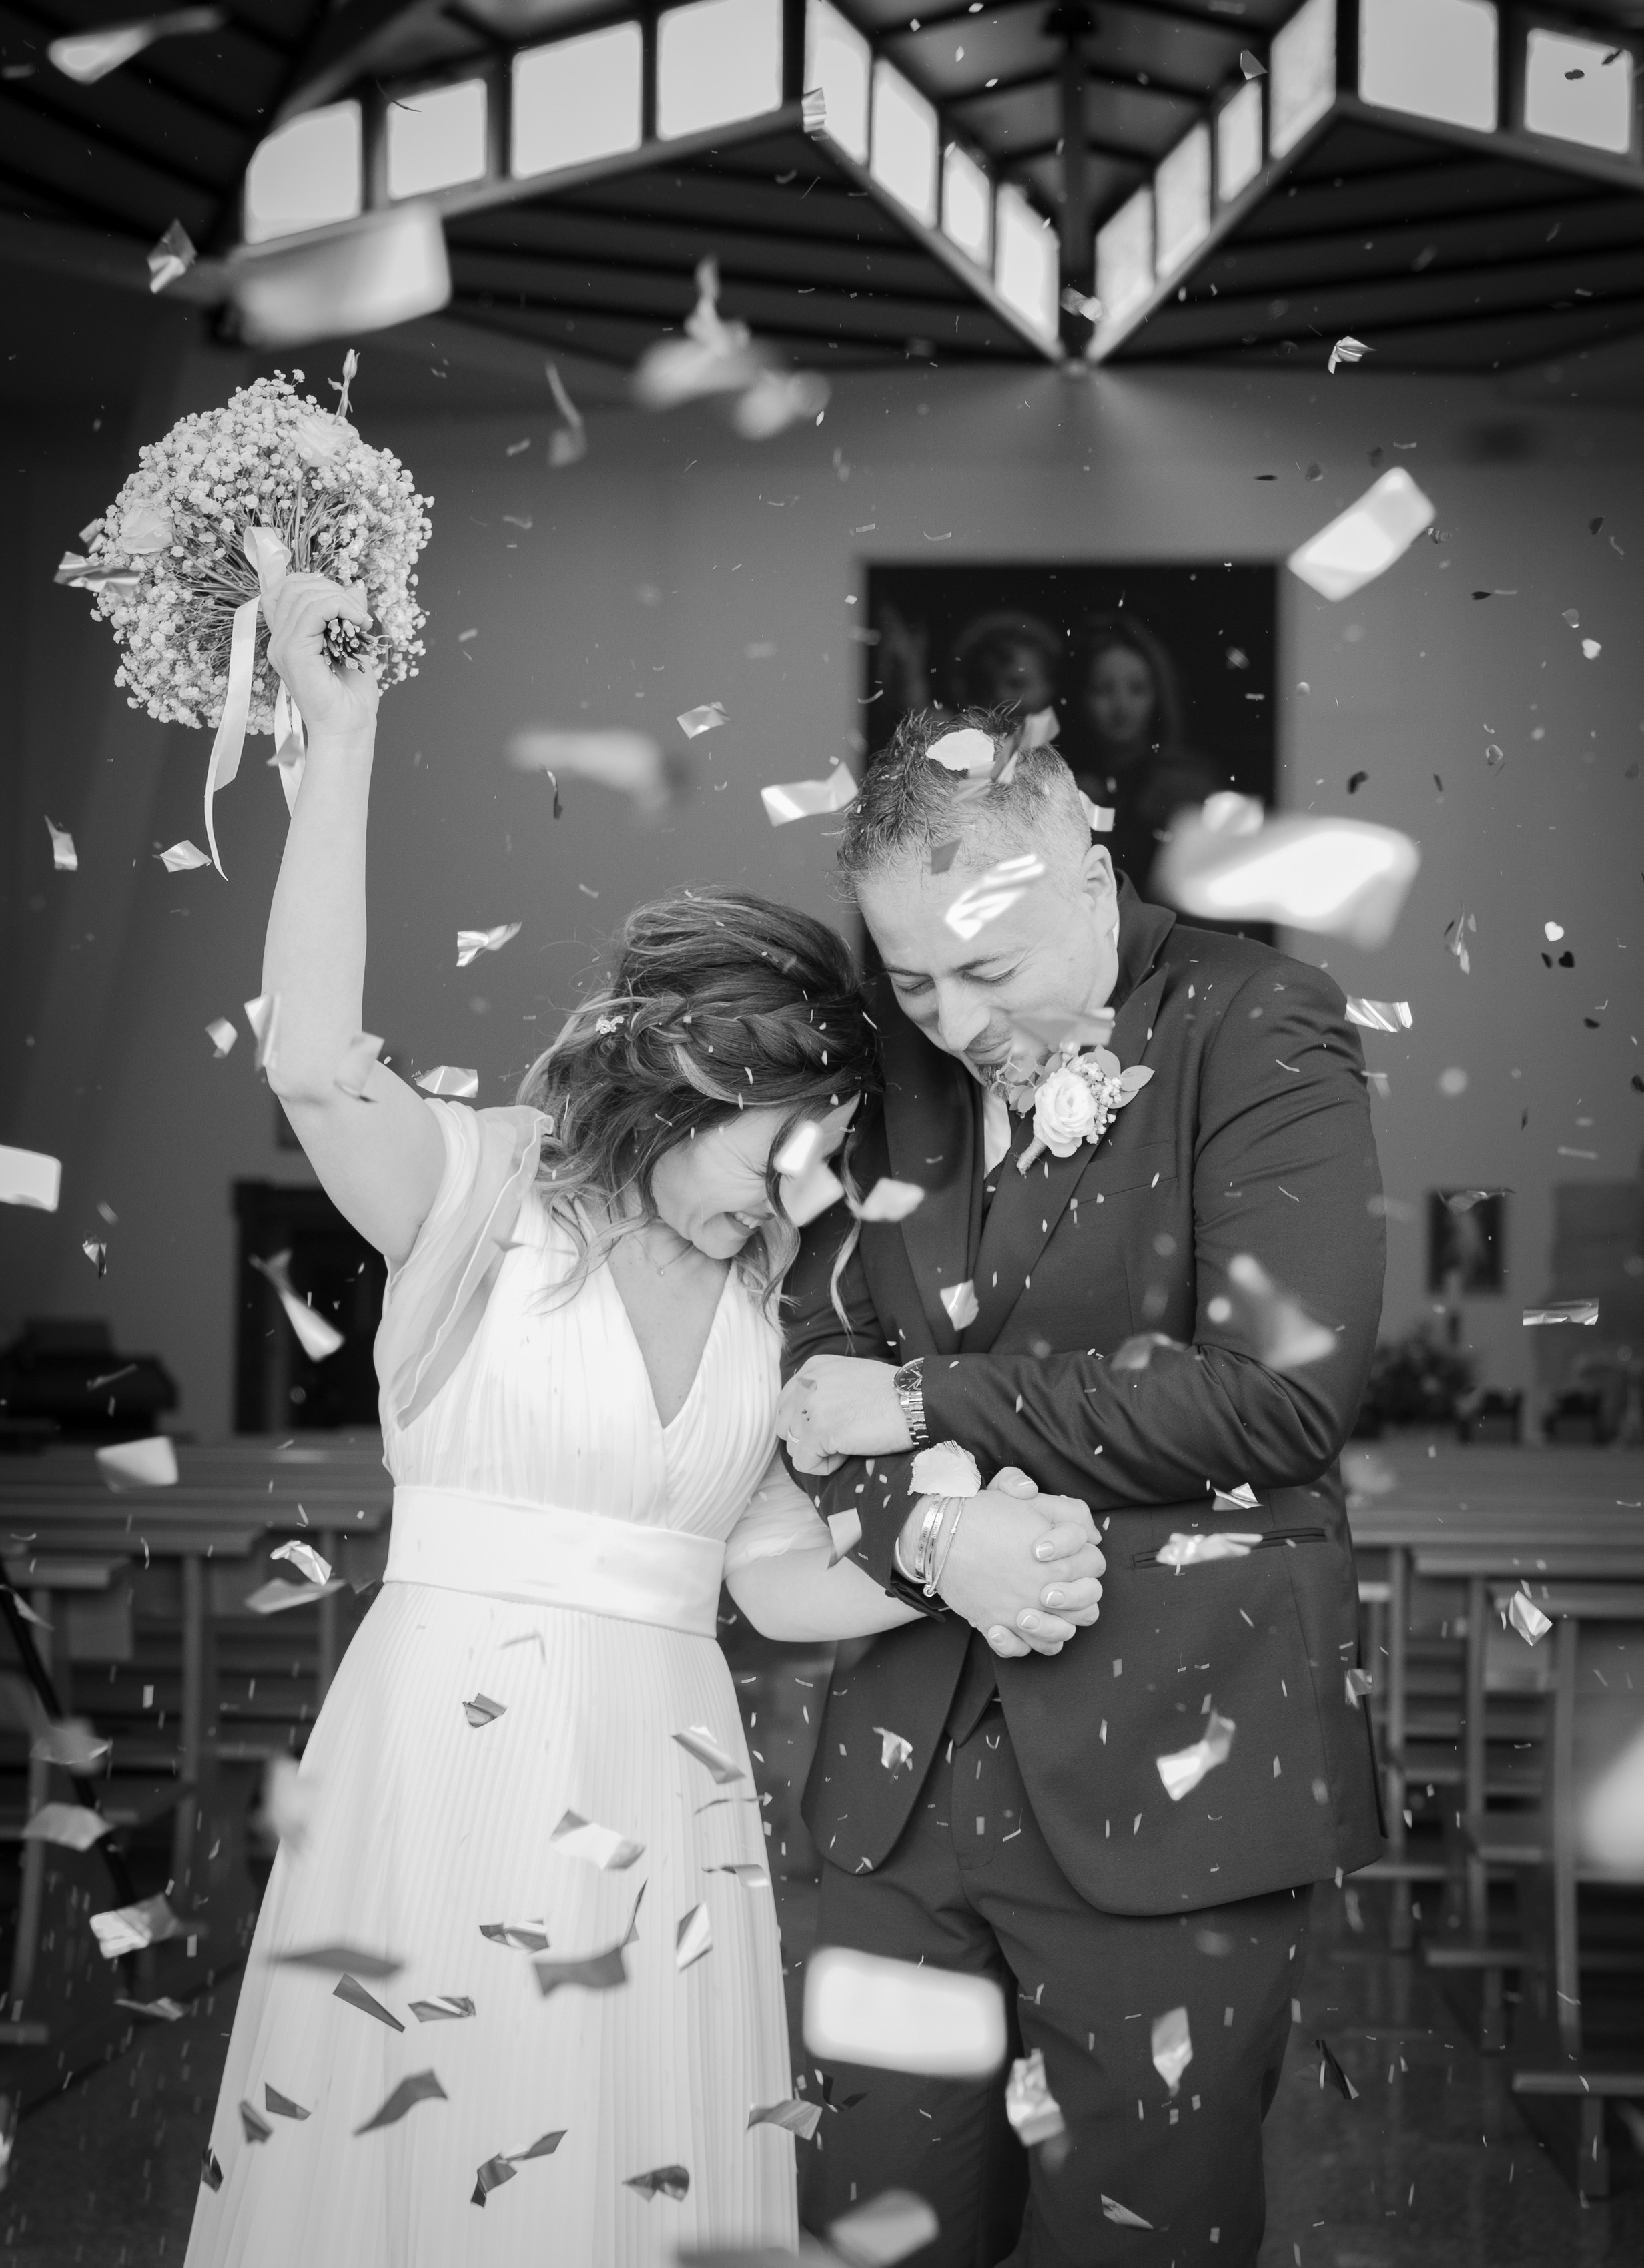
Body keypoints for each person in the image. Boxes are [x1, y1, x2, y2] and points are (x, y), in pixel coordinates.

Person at [183, 581, 1106, 2268]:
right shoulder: (474, 1192)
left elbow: (771, 1581)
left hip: (659, 1801)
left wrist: (958, 1559)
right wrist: (344, 732)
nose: (792, 1195)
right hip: (446, 1770)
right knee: (430, 2149)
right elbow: (315, 1062)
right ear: (695, 1068)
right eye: (781, 1147)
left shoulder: (767, 1304)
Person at [776, 706, 1387, 2267]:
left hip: (1169, 1774)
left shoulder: (1257, 1023)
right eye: (911, 974)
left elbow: (1277, 1392)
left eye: (982, 967)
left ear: (1083, 862)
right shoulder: (890, 1054)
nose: (947, 1014)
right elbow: (814, 1362)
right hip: (898, 1792)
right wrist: (920, 1530)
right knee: (871, 2236)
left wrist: (932, 1397)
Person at [1065, 615, 1219, 900]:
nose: (1121, 706)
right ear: (1080, 697)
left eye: (1137, 689)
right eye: (1103, 690)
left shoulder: (1185, 783)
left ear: (1158, 695)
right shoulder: (1062, 783)